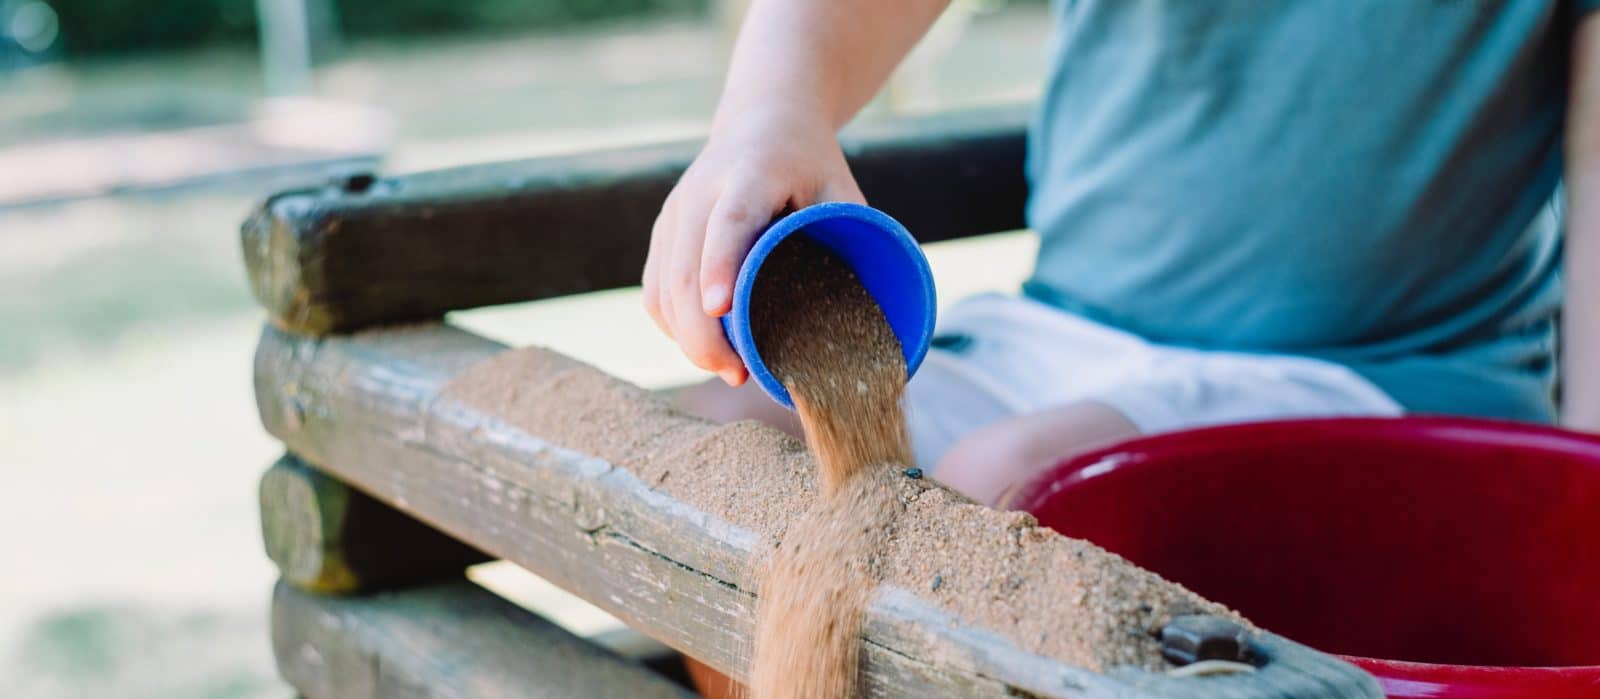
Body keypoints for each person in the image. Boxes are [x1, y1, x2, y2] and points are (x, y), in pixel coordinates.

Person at [643, 0, 1600, 508]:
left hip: (1379, 371)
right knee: (727, 444)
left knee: (1011, 481)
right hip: (1065, 330)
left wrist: (1582, 475)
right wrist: (772, 111)